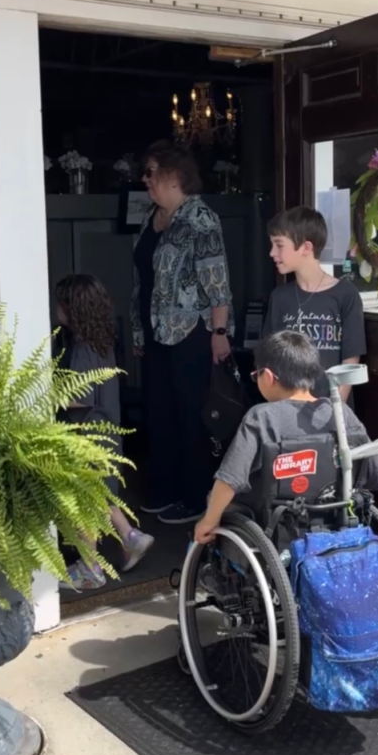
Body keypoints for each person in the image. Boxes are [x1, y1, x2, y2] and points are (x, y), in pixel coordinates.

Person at [194, 331, 378, 544]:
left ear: (267, 376)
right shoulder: (341, 413)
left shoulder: (262, 417)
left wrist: (207, 522)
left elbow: (229, 479)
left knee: (213, 506)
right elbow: (374, 476)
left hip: (275, 526)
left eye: (255, 375)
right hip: (336, 521)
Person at [131, 140, 234, 525]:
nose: (146, 179)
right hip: (156, 331)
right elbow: (143, 279)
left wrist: (219, 331)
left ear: (174, 176)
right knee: (159, 412)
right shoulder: (153, 218)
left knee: (190, 414)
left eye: (152, 172)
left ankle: (195, 498)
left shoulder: (200, 219)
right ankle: (164, 490)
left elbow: (217, 280)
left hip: (192, 332)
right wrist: (141, 330)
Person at [56, 274, 154, 590]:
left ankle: (90, 568)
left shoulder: (82, 350)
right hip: (107, 433)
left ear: (72, 309)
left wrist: (51, 395)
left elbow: (80, 398)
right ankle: (131, 537)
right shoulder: (102, 343)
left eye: (60, 302)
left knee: (85, 503)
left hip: (89, 436)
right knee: (103, 496)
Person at [263, 206, 365, 403]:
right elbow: (269, 358)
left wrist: (335, 408)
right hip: (288, 411)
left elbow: (350, 359)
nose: (272, 253)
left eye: (279, 245)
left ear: (306, 248)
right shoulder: (279, 297)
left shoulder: (345, 294)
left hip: (331, 412)